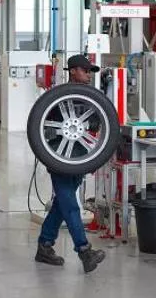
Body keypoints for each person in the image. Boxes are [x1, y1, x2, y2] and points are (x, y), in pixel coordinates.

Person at [34, 54, 106, 273]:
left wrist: (94, 158)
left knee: (61, 204)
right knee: (71, 205)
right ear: (73, 71)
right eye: (85, 71)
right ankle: (84, 251)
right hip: (59, 158)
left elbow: (95, 123)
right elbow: (43, 126)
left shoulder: (89, 97)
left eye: (89, 72)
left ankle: (45, 246)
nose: (88, 76)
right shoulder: (56, 98)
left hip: (80, 157)